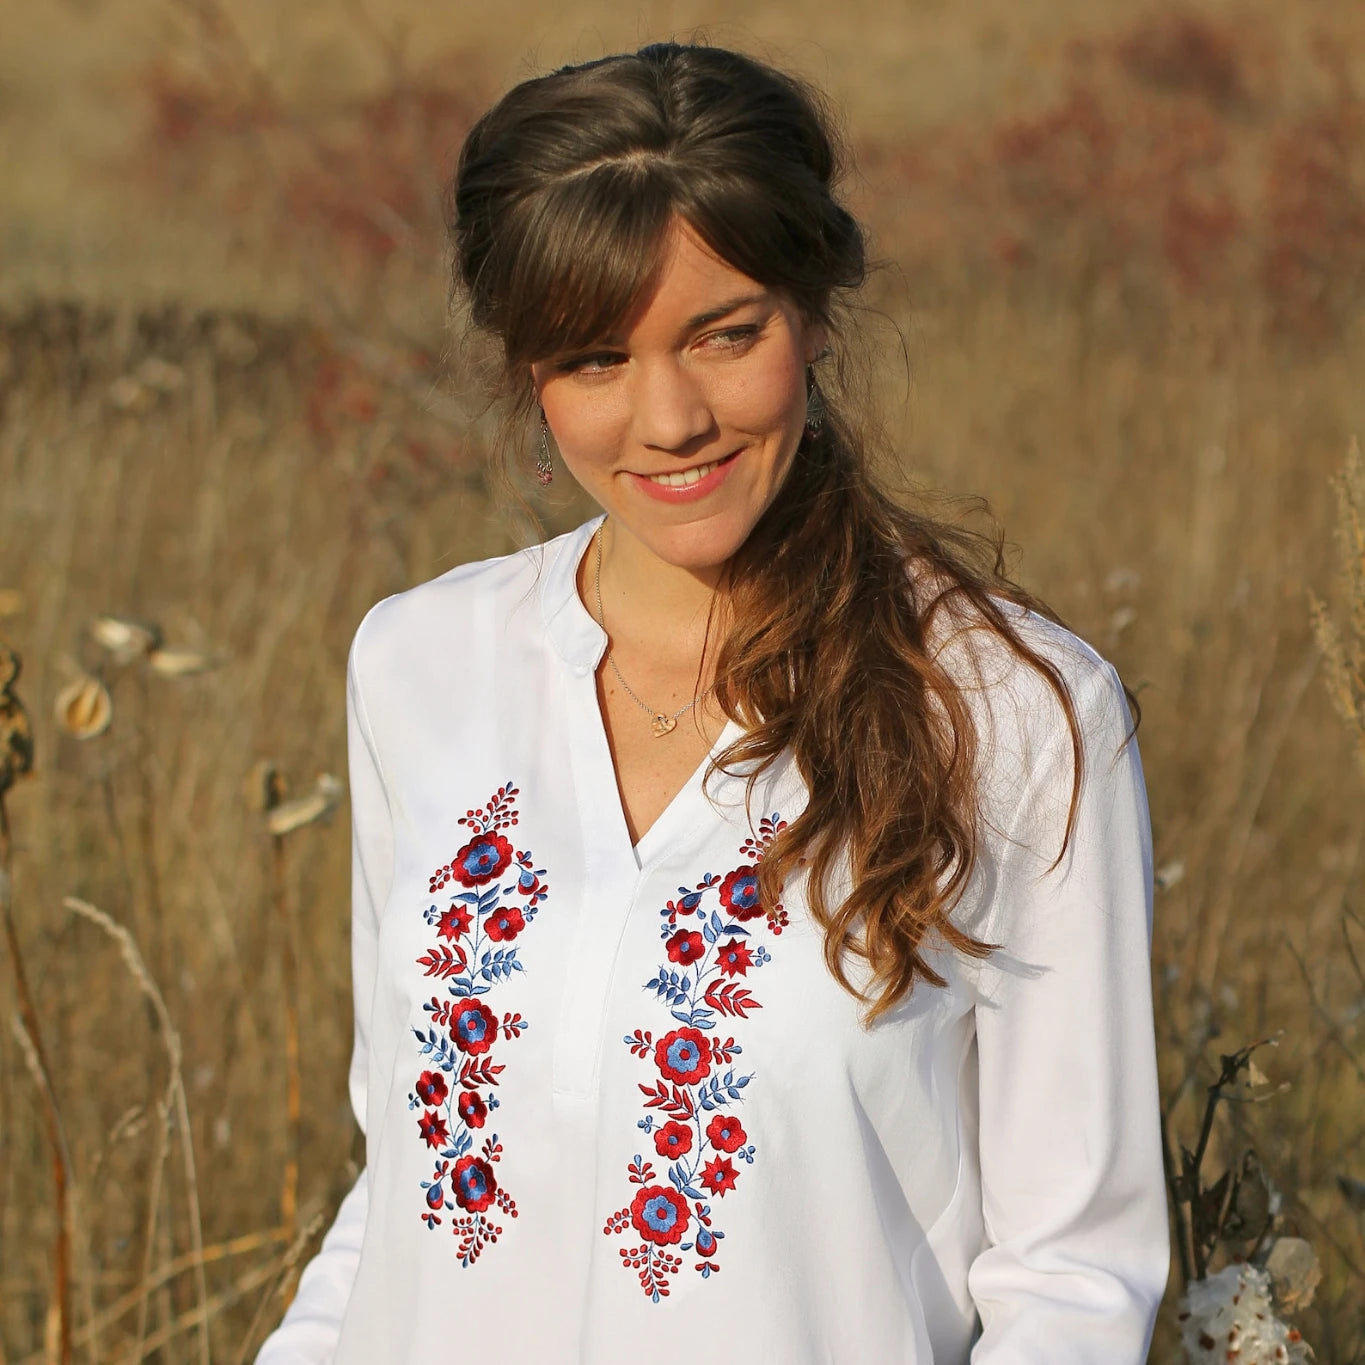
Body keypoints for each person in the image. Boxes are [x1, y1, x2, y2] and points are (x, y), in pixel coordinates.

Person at [256, 41, 1169, 1364]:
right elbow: (402, 1168)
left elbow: (1072, 1280)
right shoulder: (419, 661)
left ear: (814, 310)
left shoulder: (1015, 714)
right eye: (592, 359)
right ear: (527, 374)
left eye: (721, 333)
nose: (668, 416)